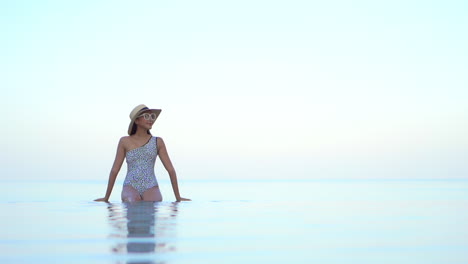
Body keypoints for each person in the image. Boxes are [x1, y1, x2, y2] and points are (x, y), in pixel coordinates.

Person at [95, 104, 190, 202]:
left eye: (152, 117)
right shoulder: (124, 141)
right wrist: (106, 197)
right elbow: (115, 170)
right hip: (130, 185)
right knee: (132, 201)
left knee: (152, 204)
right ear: (136, 120)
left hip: (151, 185)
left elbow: (170, 170)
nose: (151, 119)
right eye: (146, 116)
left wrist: (178, 197)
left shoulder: (158, 141)